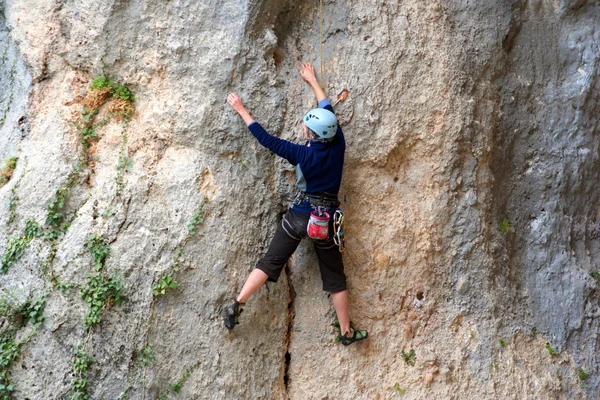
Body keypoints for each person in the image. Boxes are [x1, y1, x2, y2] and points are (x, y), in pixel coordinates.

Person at [223, 62, 367, 346]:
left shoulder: (301, 154)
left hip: (300, 216)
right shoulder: (338, 143)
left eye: (306, 125)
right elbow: (326, 107)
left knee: (270, 261)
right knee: (335, 277)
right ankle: (346, 332)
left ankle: (238, 303)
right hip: (325, 222)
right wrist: (313, 79)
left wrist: (241, 109)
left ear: (310, 134)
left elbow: (266, 139)